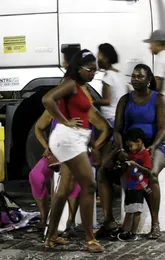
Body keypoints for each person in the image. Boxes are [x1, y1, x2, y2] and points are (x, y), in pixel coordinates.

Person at [42, 49, 112, 252]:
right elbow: (47, 99)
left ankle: (52, 236)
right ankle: (89, 239)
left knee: (63, 190)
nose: (93, 74)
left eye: (95, 70)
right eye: (90, 70)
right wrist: (65, 121)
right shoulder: (70, 84)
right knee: (89, 184)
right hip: (68, 139)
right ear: (78, 68)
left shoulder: (81, 86)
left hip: (76, 139)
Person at [97, 64, 165, 240]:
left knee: (151, 174)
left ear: (149, 79)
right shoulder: (125, 100)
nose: (136, 79)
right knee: (103, 172)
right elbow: (117, 129)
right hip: (128, 147)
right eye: (134, 76)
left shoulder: (159, 99)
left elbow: (163, 128)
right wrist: (121, 149)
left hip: (154, 145)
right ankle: (108, 221)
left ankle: (155, 224)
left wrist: (153, 146)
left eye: (140, 76)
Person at [29, 110, 81, 238]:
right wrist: (46, 146)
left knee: (73, 178)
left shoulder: (81, 108)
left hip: (76, 153)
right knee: (35, 176)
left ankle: (70, 222)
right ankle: (43, 217)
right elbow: (38, 127)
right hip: (55, 153)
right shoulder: (53, 108)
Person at [144, 29, 165, 199]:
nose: (149, 47)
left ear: (158, 43)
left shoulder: (161, 61)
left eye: (151, 43)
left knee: (161, 147)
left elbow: (158, 86)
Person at [111, 128, 152, 241]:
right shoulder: (133, 154)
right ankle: (124, 229)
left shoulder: (145, 154)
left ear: (139, 142)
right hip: (130, 186)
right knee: (129, 210)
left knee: (136, 211)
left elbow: (149, 171)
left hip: (139, 186)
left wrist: (135, 165)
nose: (130, 149)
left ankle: (133, 233)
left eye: (131, 145)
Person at [94, 43, 129, 127]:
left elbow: (107, 100)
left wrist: (91, 102)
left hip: (110, 118)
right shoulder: (120, 74)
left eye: (99, 55)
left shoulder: (108, 76)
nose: (97, 59)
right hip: (121, 117)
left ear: (106, 58)